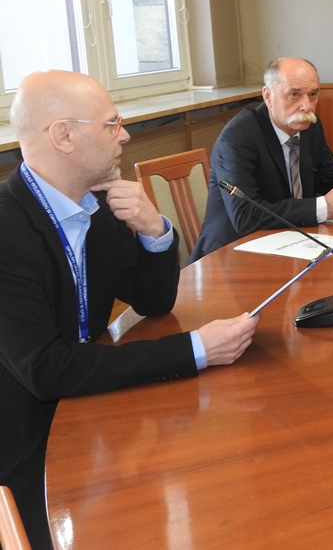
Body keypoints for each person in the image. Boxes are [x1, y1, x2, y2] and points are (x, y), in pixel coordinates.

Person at [0, 70, 259, 550]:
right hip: (22, 443)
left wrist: (154, 230)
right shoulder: (6, 230)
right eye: (112, 124)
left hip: (92, 407)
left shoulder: (98, 202)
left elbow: (153, 301)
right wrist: (195, 349)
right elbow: (47, 369)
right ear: (63, 135)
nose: (125, 136)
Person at [189, 57, 333, 263]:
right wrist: (325, 207)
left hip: (291, 246)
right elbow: (245, 216)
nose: (306, 106)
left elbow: (331, 177)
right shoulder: (238, 137)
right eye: (294, 95)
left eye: (313, 95)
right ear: (268, 96)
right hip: (231, 257)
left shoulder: (310, 128)